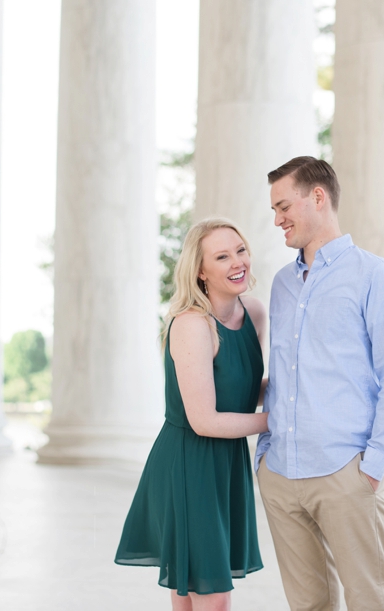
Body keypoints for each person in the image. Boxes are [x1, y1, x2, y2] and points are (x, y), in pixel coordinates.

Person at [256, 156, 384, 611]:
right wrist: (264, 457)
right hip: (282, 474)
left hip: (345, 471)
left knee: (370, 602)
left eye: (283, 205)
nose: (277, 219)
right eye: (273, 209)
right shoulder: (283, 284)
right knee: (308, 606)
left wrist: (373, 465)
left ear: (318, 197)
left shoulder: (373, 275)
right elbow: (286, 373)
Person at [116, 218, 269, 611]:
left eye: (240, 250)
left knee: (191, 594)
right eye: (222, 256)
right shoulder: (191, 324)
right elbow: (205, 419)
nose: (238, 262)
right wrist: (282, 422)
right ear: (200, 271)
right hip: (190, 463)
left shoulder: (254, 313)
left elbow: (241, 392)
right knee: (214, 598)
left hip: (227, 462)